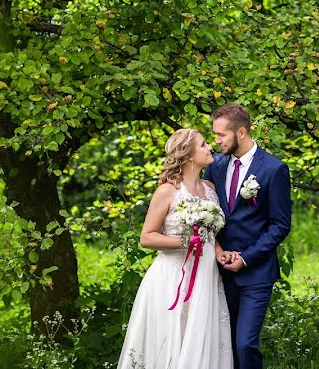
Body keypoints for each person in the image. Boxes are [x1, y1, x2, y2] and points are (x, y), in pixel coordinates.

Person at [117, 128, 233, 369]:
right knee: (170, 340)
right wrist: (184, 241)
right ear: (189, 155)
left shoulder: (210, 188)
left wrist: (219, 250)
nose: (209, 147)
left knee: (201, 336)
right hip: (172, 278)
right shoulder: (167, 192)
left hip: (206, 276)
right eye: (202, 145)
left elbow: (211, 234)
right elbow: (146, 238)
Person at [205, 104, 292, 369]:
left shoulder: (274, 169)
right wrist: (218, 249)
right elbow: (210, 213)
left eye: (221, 135)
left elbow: (280, 225)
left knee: (245, 345)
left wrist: (246, 258)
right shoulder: (215, 166)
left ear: (240, 132)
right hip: (219, 271)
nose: (216, 141)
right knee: (224, 345)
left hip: (256, 272)